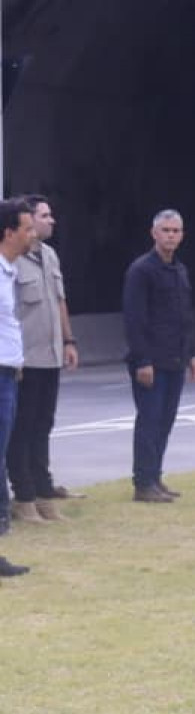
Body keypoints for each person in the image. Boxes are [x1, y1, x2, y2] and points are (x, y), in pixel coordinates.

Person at [7, 195, 80, 523]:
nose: (51, 221)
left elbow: (60, 301)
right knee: (21, 428)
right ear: (27, 223)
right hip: (25, 359)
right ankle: (23, 496)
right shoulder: (11, 261)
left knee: (43, 425)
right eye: (44, 215)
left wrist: (68, 339)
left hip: (49, 355)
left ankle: (42, 490)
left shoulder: (49, 256)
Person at [122, 208, 195, 502]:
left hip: (175, 358)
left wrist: (192, 354)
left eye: (175, 231)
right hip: (150, 361)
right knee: (150, 420)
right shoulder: (141, 270)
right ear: (154, 233)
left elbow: (185, 316)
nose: (170, 235)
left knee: (166, 420)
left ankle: (154, 476)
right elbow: (134, 319)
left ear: (182, 235)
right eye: (165, 230)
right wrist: (142, 360)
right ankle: (142, 482)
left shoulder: (180, 270)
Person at [0, 199, 38, 571]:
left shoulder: (8, 271)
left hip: (8, 373)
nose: (33, 234)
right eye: (27, 228)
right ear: (9, 232)